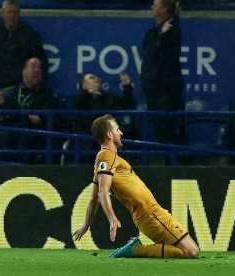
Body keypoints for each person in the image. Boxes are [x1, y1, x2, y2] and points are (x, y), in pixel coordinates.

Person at [73, 114, 200, 259]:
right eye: (117, 129)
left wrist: (86, 225)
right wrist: (112, 218)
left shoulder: (106, 160)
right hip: (151, 214)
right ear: (109, 134)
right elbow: (102, 193)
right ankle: (136, 249)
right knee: (191, 252)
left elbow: (94, 198)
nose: (121, 133)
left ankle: (136, 249)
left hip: (149, 215)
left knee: (187, 251)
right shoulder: (106, 156)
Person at [0, 0, 49, 111]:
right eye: (8, 12)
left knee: (20, 122)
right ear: (2, 14)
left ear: (19, 14)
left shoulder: (29, 34)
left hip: (21, 89)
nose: (12, 16)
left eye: (15, 12)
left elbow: (41, 61)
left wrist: (40, 85)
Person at [0, 57, 59, 163]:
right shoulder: (11, 93)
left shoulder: (48, 95)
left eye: (39, 67)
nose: (37, 70)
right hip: (12, 136)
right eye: (33, 67)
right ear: (24, 71)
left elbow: (53, 118)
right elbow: (7, 114)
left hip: (36, 139)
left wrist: (39, 119)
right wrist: (2, 102)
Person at [141, 0, 184, 145]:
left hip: (165, 93)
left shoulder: (172, 30)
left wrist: (165, 33)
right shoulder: (154, 32)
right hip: (153, 92)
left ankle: (173, 165)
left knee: (167, 133)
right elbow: (149, 46)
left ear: (165, 10)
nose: (152, 7)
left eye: (156, 5)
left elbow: (164, 51)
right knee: (161, 133)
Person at [71, 73, 136, 163]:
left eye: (97, 77)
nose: (97, 79)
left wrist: (127, 86)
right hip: (86, 137)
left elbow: (127, 104)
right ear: (84, 85)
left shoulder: (109, 98)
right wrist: (88, 94)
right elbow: (76, 110)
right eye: (92, 78)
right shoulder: (79, 99)